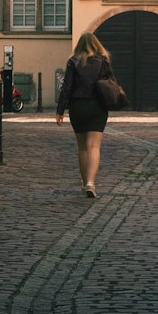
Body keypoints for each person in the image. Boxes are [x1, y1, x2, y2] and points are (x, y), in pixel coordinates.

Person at [56, 31, 116, 198]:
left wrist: (60, 110)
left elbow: (66, 87)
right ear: (96, 45)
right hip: (97, 106)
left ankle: (85, 184)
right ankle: (91, 182)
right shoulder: (103, 61)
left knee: (82, 147)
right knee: (94, 147)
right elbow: (111, 83)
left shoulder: (73, 61)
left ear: (79, 45)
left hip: (78, 106)